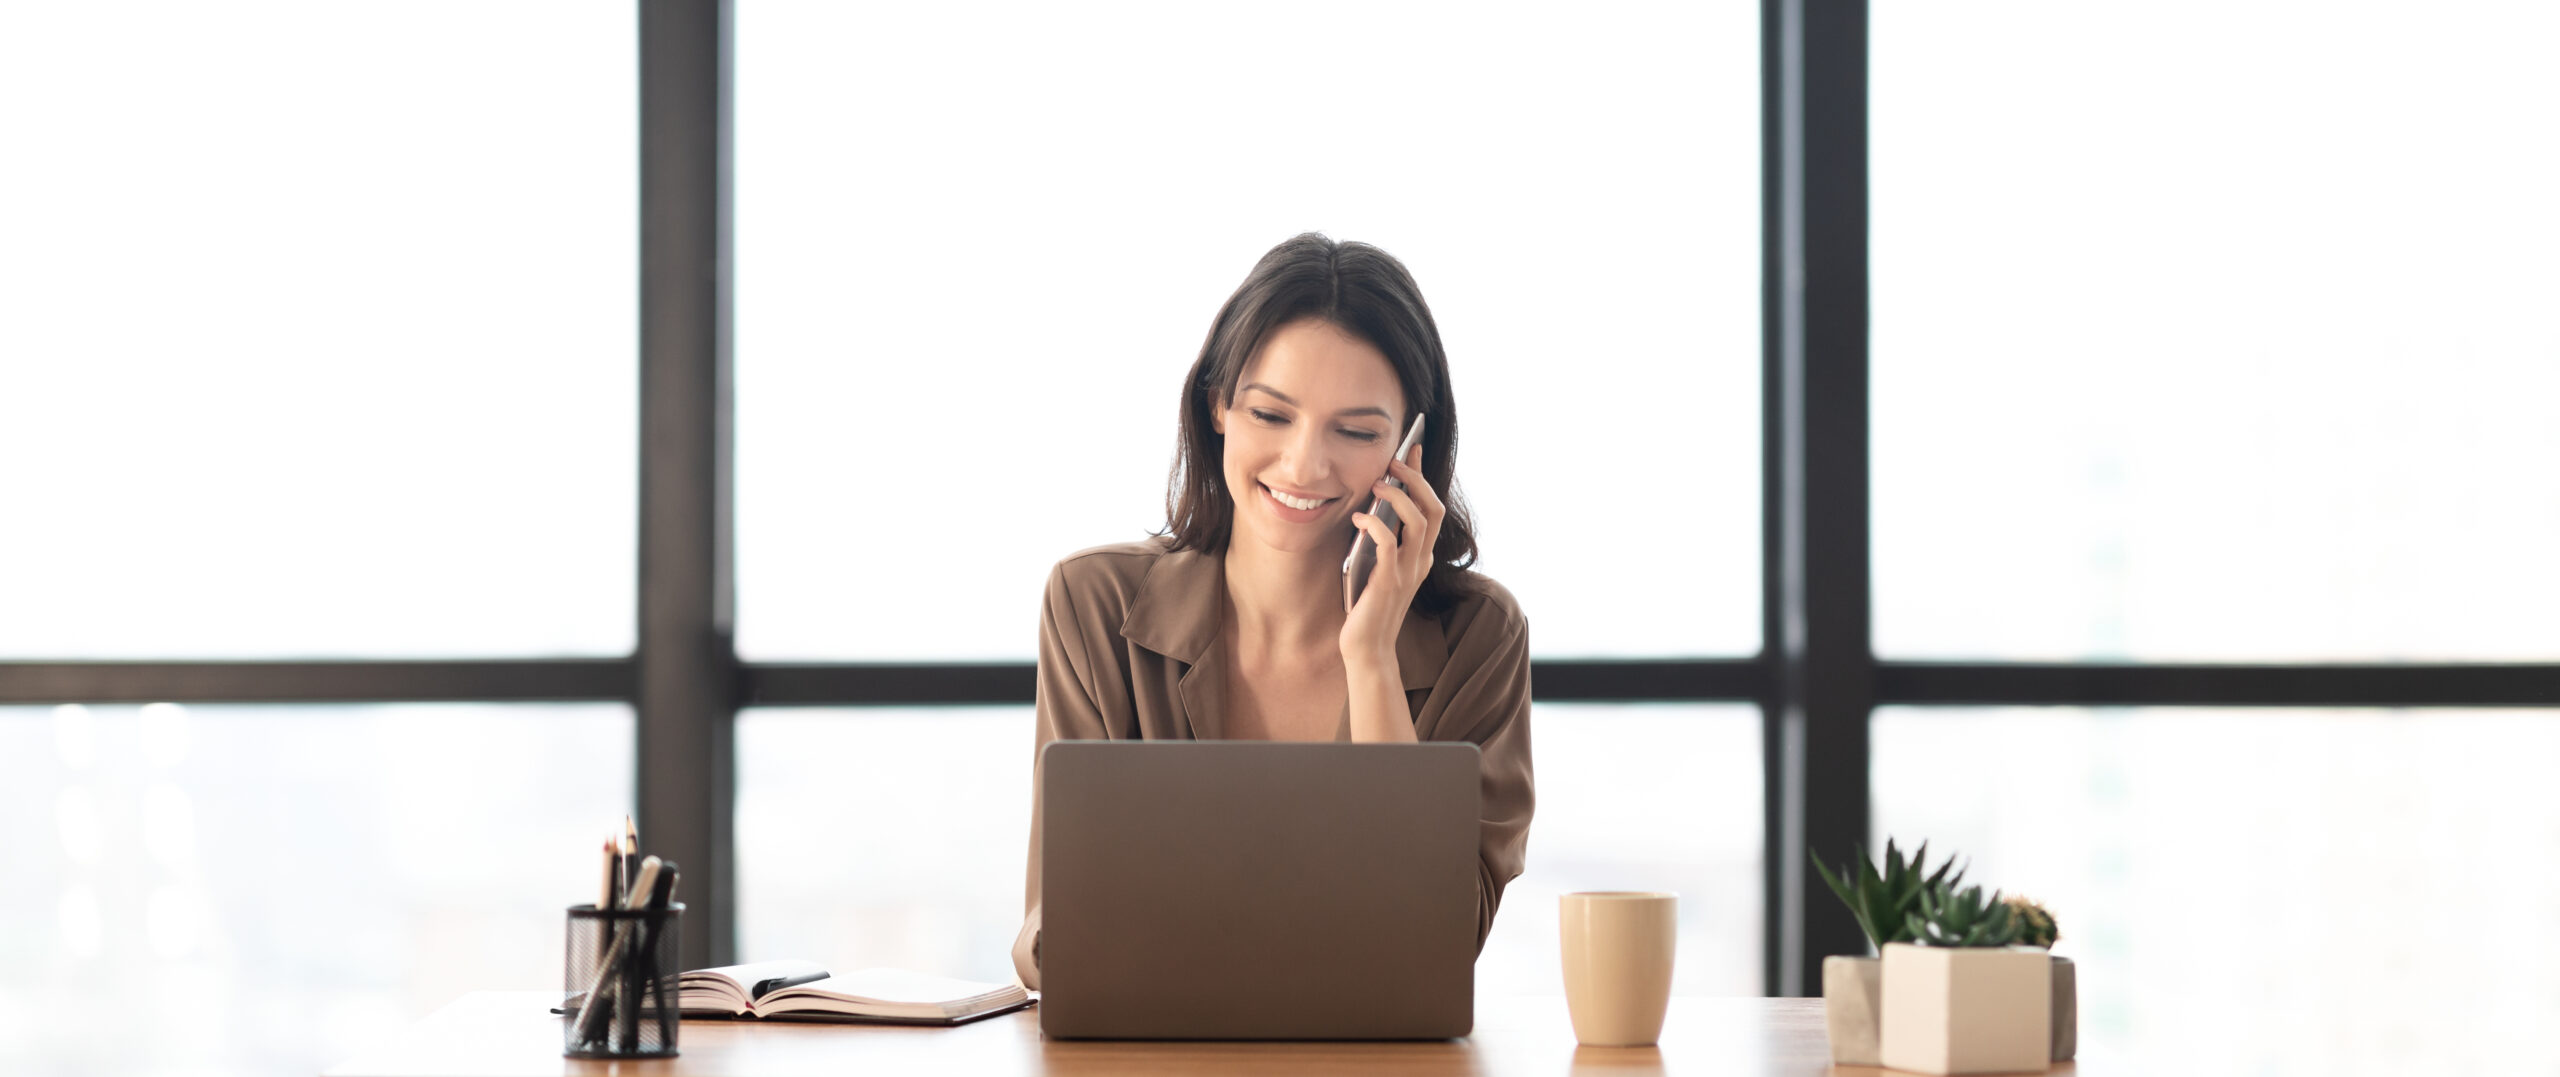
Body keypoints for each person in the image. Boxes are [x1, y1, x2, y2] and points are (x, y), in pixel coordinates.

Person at [1010, 233, 1533, 990]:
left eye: (1356, 431)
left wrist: (1372, 657)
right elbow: (1049, 944)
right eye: (1270, 414)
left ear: (1410, 450)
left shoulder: (1478, 636)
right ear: (1218, 404)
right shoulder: (1094, 605)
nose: (1303, 465)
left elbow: (1436, 946)